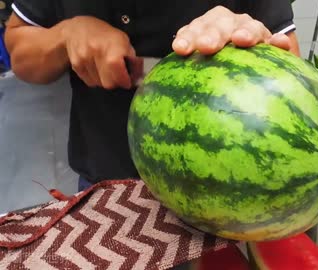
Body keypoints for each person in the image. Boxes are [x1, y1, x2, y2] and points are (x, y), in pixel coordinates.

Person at [5, 1, 301, 191]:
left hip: (230, 189)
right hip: (103, 186)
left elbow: (294, 76)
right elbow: (20, 53)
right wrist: (64, 36)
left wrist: (255, 48)